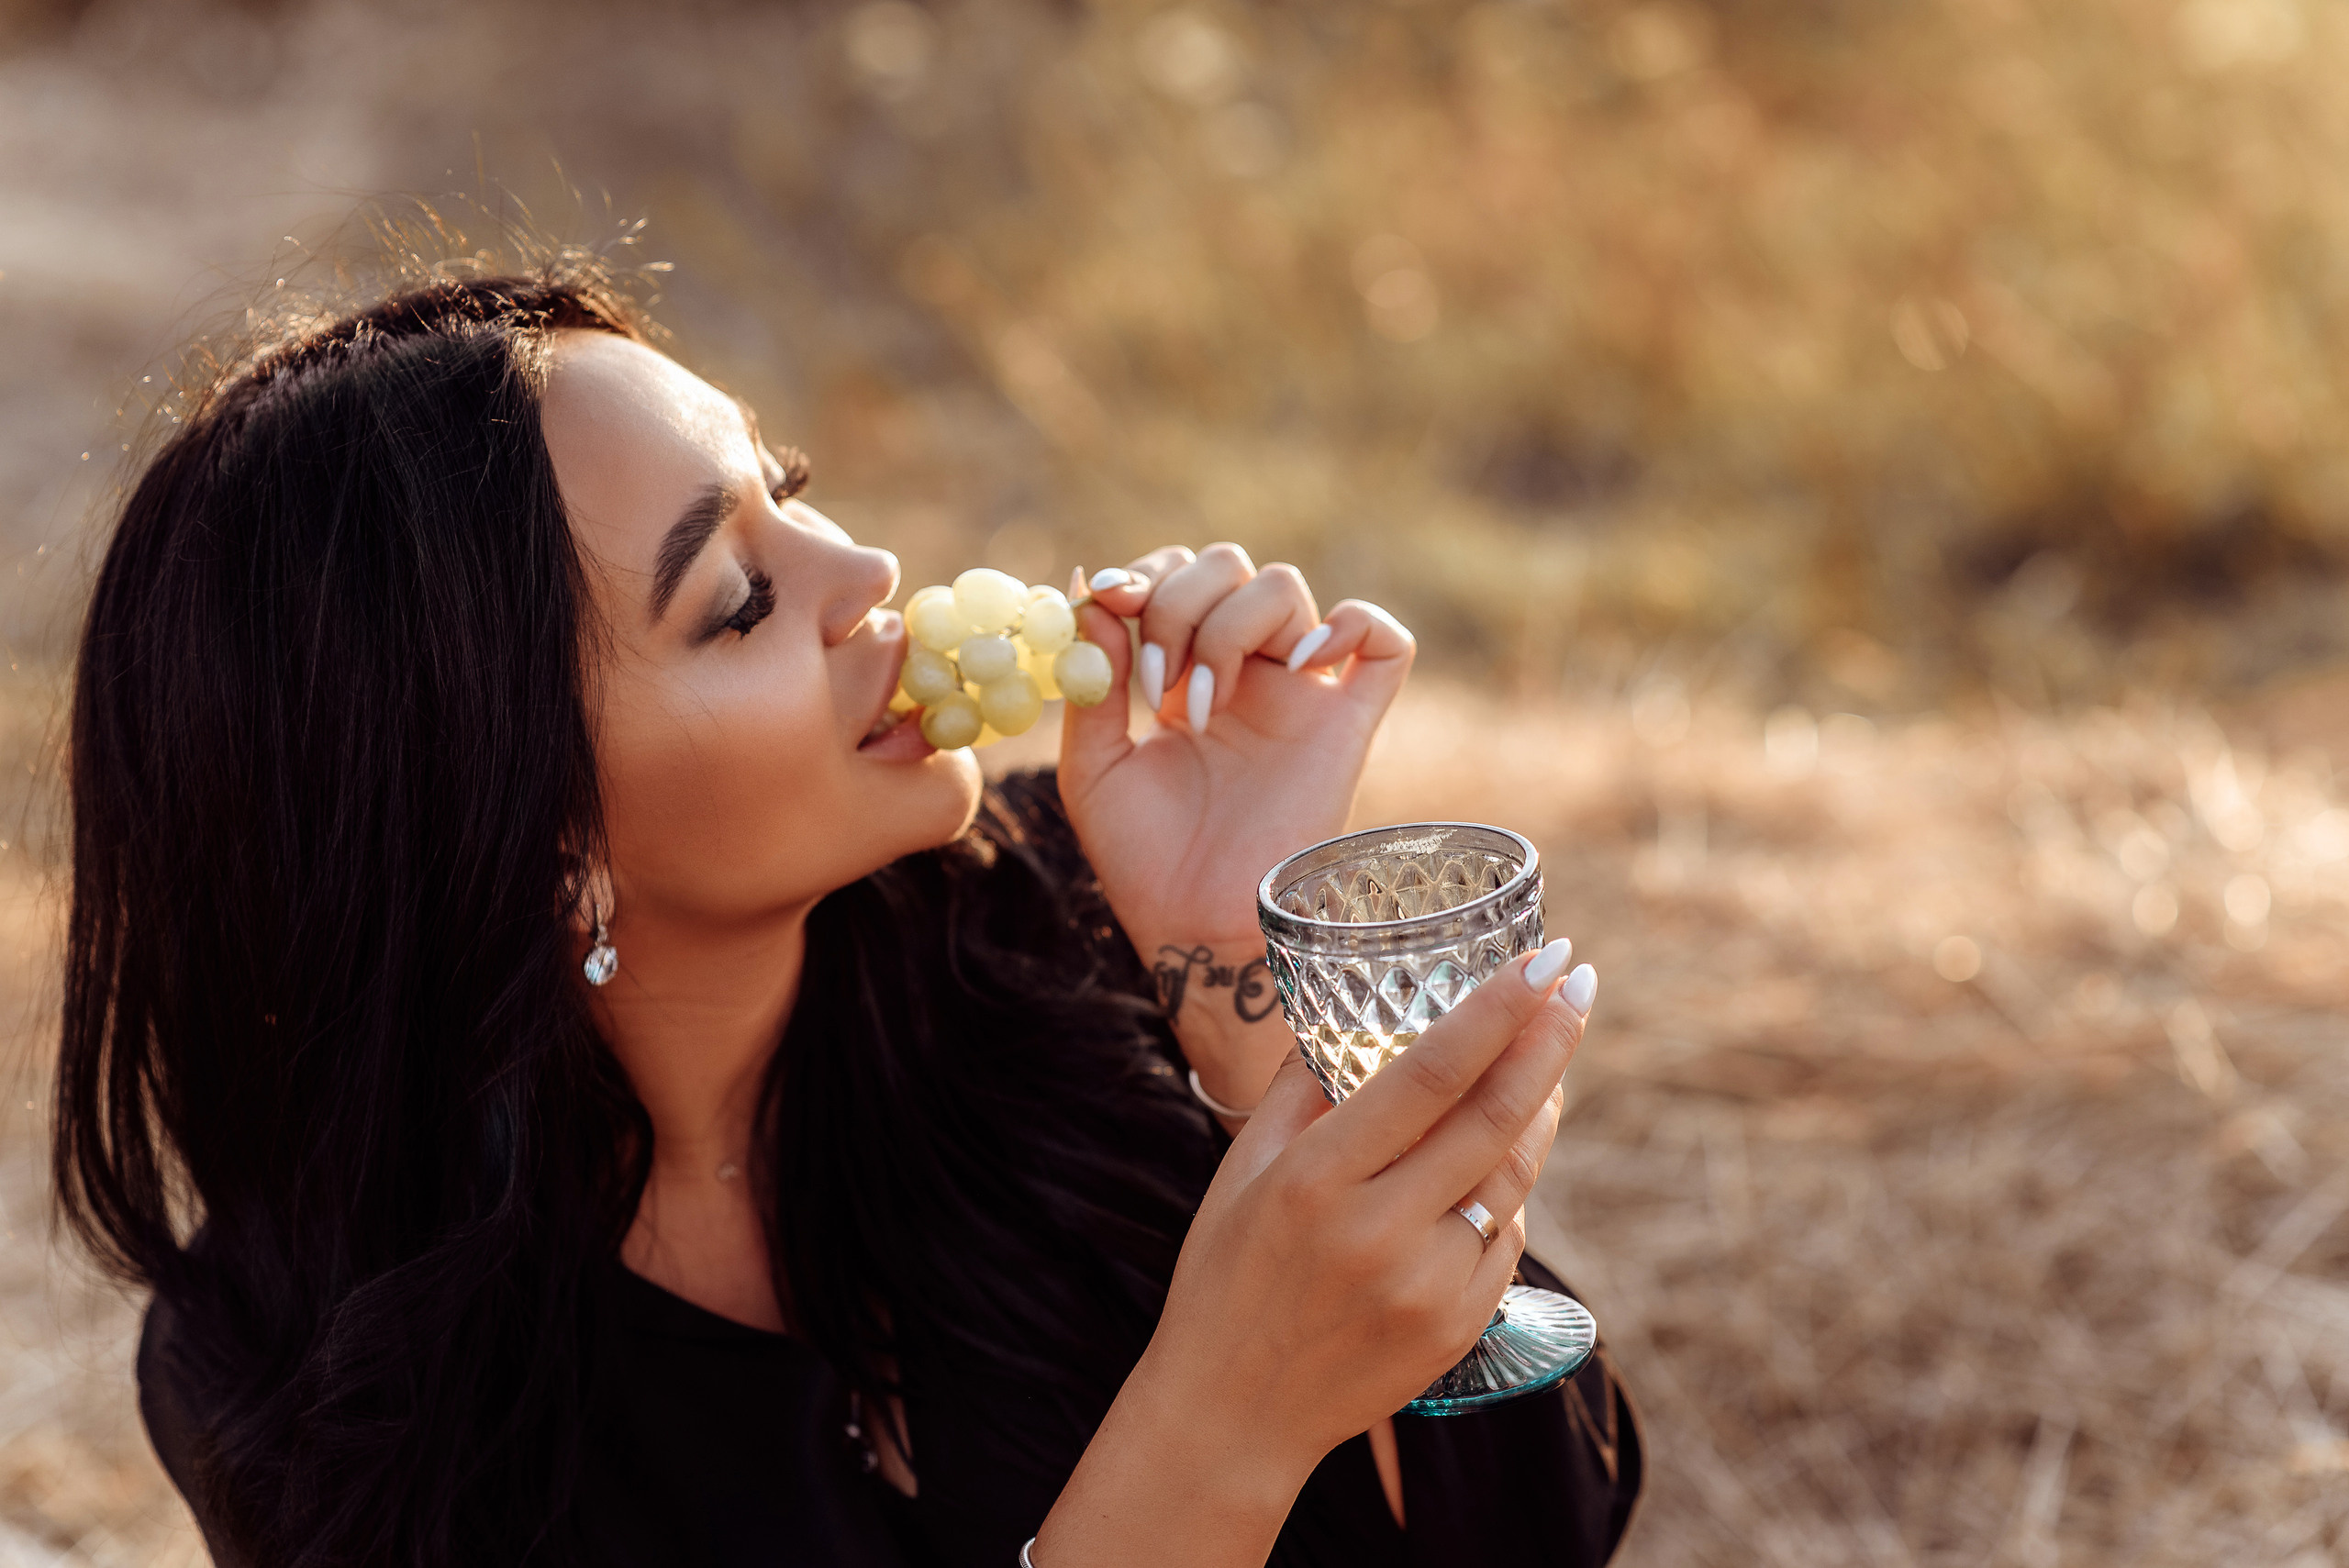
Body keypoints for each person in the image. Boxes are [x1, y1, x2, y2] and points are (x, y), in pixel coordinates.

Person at [52, 252, 1639, 1567]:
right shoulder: (309, 1376)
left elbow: (1545, 1525)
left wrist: (1243, 987)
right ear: (539, 849)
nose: (863, 566)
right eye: (737, 597)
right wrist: (1211, 1430)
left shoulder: (1058, 929)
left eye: (785, 490)